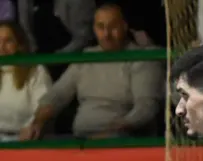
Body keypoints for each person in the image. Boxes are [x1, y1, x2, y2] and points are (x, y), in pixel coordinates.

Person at [18, 3, 162, 139]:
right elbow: (59, 94)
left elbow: (146, 107)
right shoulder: (87, 57)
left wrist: (117, 128)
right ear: (94, 29)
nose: (106, 34)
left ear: (124, 26)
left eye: (113, 26)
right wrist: (37, 122)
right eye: (101, 27)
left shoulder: (142, 58)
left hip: (122, 138)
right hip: (81, 137)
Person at [0, 21, 50, 140]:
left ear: (19, 44)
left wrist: (34, 126)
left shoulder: (36, 71)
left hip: (23, 139)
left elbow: (43, 107)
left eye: (8, 41)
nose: (1, 47)